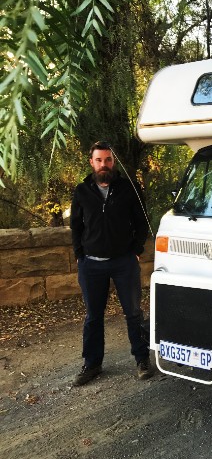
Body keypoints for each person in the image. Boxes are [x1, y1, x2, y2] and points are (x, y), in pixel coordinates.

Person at [70, 140, 153, 386]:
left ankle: (141, 359)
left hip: (123, 263)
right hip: (91, 265)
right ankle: (92, 364)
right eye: (99, 160)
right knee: (93, 317)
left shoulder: (129, 188)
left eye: (107, 159)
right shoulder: (82, 191)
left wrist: (136, 251)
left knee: (134, 313)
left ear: (113, 162)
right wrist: (79, 255)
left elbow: (141, 222)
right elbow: (76, 226)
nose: (103, 164)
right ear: (91, 162)